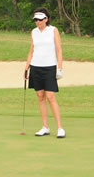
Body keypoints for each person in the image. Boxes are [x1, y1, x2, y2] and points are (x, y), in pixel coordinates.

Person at [24, 8, 65, 138]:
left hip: (49, 67)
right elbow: (32, 50)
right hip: (36, 67)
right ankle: (45, 126)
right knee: (40, 97)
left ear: (46, 19)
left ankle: (60, 127)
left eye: (40, 19)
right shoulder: (34, 32)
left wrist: (60, 68)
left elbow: (59, 50)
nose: (38, 22)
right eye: (36, 20)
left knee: (50, 97)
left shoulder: (53, 30)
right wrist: (27, 67)